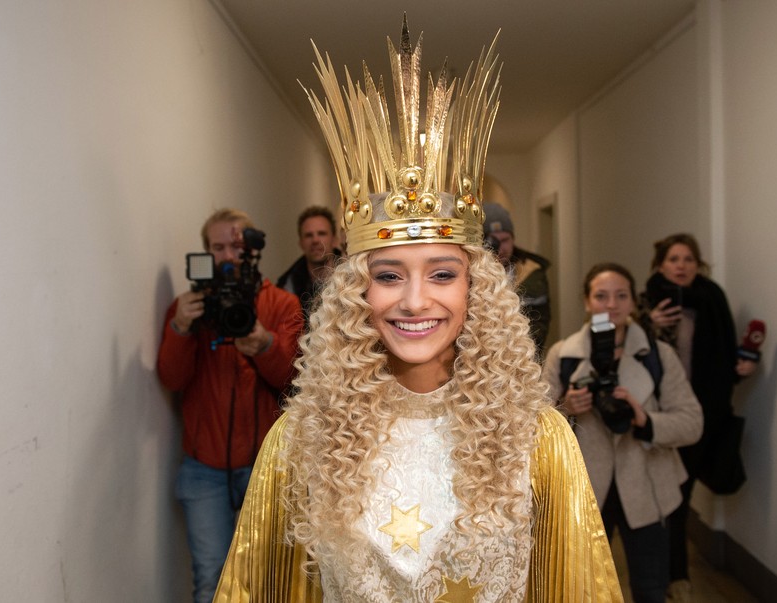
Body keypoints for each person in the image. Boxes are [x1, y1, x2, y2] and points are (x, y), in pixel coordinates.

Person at [214, 18, 623, 602]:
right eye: (387, 276)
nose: (413, 300)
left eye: (441, 273)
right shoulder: (299, 442)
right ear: (358, 292)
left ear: (475, 288)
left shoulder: (538, 439)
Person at [156, 208, 303, 603]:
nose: (227, 255)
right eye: (217, 247)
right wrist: (180, 329)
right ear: (205, 253)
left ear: (250, 250)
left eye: (235, 246)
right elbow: (172, 379)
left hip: (265, 466)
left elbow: (293, 382)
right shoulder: (189, 308)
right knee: (212, 579)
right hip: (204, 467)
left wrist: (265, 345)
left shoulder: (282, 304)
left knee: (269, 578)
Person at [542, 263, 703, 603]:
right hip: (583, 488)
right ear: (587, 302)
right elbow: (533, 427)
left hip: (646, 485)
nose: (611, 305)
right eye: (601, 296)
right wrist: (568, 408)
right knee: (581, 589)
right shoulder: (563, 356)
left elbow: (692, 423)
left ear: (632, 303)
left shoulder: (658, 355)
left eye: (621, 296)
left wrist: (646, 420)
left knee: (650, 587)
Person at [640, 233, 757, 602]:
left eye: (688, 259)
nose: (681, 266)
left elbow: (725, 355)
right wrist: (649, 323)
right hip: (658, 417)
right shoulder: (647, 302)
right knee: (661, 498)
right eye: (674, 259)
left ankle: (677, 578)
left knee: (680, 496)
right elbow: (634, 354)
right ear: (660, 265)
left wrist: (744, 365)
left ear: (698, 265)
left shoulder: (713, 300)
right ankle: (664, 577)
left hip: (700, 416)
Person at [482, 202, 552, 355]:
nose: (501, 247)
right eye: (494, 240)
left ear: (513, 239)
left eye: (506, 240)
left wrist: (520, 352)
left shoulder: (532, 272)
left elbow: (540, 323)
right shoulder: (471, 272)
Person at [276, 205, 342, 323]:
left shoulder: (353, 275)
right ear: (301, 243)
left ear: (334, 240)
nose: (315, 240)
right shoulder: (287, 287)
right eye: (308, 235)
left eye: (321, 233)